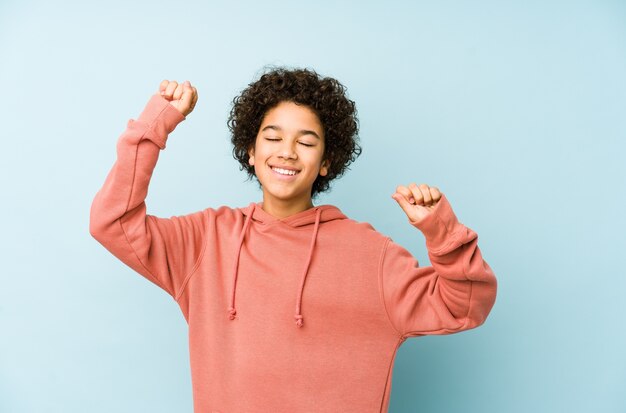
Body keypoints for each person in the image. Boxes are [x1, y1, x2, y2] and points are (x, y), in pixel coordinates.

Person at [89, 67, 497, 413]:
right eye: (272, 137)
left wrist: (440, 231)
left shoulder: (372, 257)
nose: (287, 152)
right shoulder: (205, 241)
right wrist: (154, 125)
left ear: (325, 163)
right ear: (250, 150)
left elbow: (464, 306)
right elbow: (113, 222)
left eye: (306, 142)